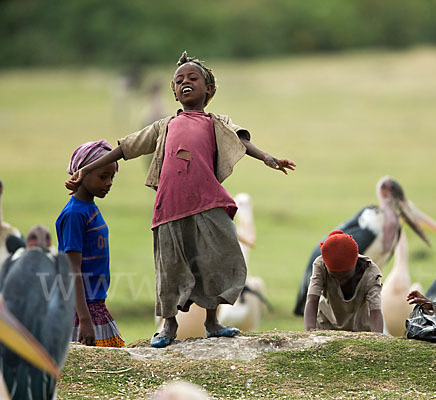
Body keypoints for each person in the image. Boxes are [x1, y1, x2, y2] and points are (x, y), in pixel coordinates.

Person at [65, 51, 296, 348]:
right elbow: (126, 148)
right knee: (170, 267)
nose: (185, 82)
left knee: (220, 256)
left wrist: (269, 158)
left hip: (208, 202)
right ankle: (168, 326)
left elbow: (242, 140)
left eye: (193, 78)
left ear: (208, 89)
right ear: (174, 92)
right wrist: (88, 167)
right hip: (170, 206)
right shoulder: (163, 126)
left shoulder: (216, 122)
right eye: (179, 80)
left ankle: (213, 321)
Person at [56, 140, 125, 347]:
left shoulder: (90, 208)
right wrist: (84, 320)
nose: (109, 182)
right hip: (81, 310)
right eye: (103, 177)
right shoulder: (75, 214)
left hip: (95, 304)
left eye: (112, 177)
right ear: (82, 174)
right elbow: (72, 269)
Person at [304, 230, 384, 333]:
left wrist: (376, 339)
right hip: (325, 327)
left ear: (356, 265)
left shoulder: (370, 273)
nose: (339, 280)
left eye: (345, 276)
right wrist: (310, 331)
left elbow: (375, 310)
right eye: (334, 276)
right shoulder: (320, 265)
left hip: (361, 330)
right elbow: (312, 299)